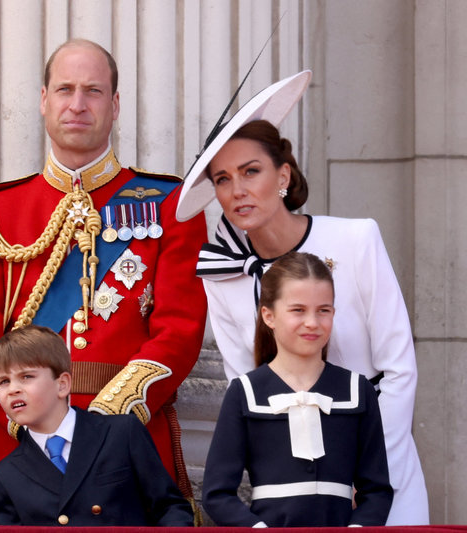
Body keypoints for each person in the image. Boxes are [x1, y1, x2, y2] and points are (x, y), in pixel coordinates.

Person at [0, 39, 208, 519]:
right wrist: (33, 415)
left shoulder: (173, 205)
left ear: (114, 106)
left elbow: (180, 329)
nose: (77, 104)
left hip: (130, 444)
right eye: (65, 89)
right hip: (26, 448)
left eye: (93, 91)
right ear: (43, 100)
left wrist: (107, 427)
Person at [178, 71, 428, 524]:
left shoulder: (356, 238)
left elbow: (398, 368)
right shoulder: (222, 273)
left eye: (251, 171)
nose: (237, 190)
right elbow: (246, 386)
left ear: (283, 174)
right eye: (222, 179)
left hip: (378, 473)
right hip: (292, 489)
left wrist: (364, 470)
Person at [202, 252, 393, 527]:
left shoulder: (357, 390)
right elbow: (217, 494)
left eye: (323, 310)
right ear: (268, 316)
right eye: (298, 310)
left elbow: (376, 490)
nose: (313, 322)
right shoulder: (245, 392)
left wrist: (357, 529)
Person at [0, 325, 194, 526]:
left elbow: (170, 508)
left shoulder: (121, 433)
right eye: (3, 381)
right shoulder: (6, 473)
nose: (13, 389)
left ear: (62, 384)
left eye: (26, 377)